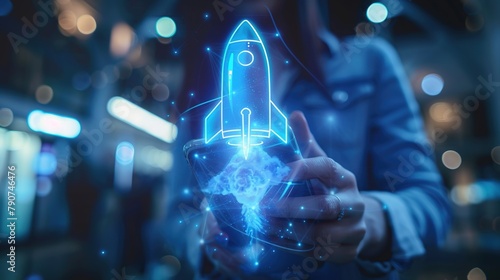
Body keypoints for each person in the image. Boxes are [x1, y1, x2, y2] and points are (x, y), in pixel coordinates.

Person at [165, 1, 452, 279]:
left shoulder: (369, 63)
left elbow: (431, 205)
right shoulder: (198, 91)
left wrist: (369, 222)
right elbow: (173, 218)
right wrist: (207, 243)